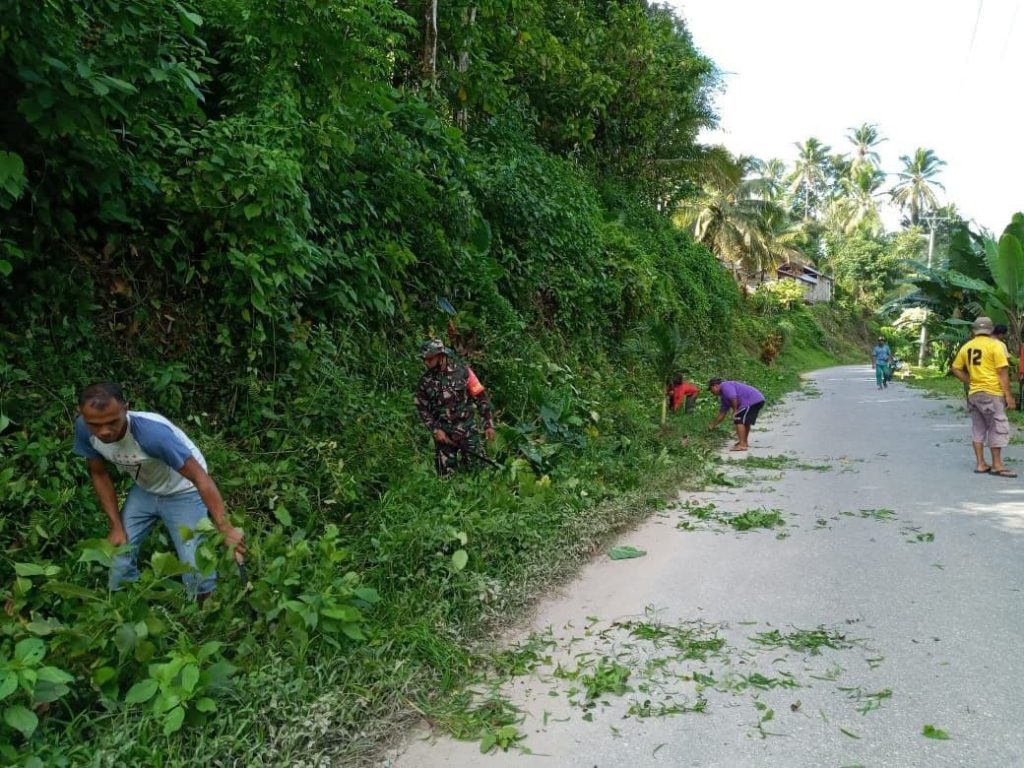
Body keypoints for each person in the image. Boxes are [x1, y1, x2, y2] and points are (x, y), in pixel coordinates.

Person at [73, 383, 245, 597]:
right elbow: (98, 474)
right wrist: (116, 526)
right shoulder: (83, 428)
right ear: (82, 415)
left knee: (195, 573)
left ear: (126, 409)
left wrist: (225, 527)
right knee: (118, 557)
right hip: (146, 488)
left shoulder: (151, 434)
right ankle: (126, 604)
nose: (104, 431)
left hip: (184, 489)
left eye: (112, 422)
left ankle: (205, 609)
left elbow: (201, 478)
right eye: (95, 425)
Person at [414, 339, 496, 475]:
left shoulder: (463, 372)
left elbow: (481, 397)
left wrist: (488, 424)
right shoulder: (425, 382)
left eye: (429, 359)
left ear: (440, 356)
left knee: (479, 473)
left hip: (467, 430)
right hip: (444, 434)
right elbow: (422, 408)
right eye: (424, 360)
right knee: (445, 477)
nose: (426, 363)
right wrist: (435, 430)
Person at [950, 316, 1017, 477]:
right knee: (996, 426)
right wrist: (1008, 396)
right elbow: (1002, 372)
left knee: (978, 428)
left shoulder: (967, 347)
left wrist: (970, 380)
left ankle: (980, 463)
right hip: (992, 393)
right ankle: (996, 465)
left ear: (974, 331)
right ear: (990, 330)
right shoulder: (996, 345)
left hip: (974, 394)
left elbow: (955, 368)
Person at [707, 378, 765, 452]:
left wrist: (735, 411)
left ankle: (742, 445)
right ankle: (744, 442)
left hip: (752, 400)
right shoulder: (724, 397)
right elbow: (722, 413)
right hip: (756, 400)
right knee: (745, 421)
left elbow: (733, 397)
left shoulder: (725, 385)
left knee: (738, 419)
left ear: (715, 386)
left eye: (711, 389)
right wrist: (712, 425)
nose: (711, 392)